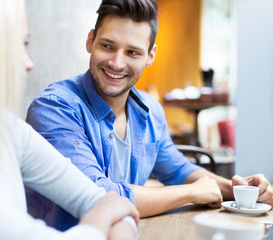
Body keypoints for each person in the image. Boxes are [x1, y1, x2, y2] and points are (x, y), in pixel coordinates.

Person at [26, 0, 273, 229]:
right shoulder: (55, 107)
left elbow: (177, 170)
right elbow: (96, 195)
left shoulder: (149, 110)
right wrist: (190, 193)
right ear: (90, 41)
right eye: (107, 46)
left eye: (132, 52)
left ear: (150, 56)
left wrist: (240, 190)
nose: (116, 62)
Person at [0, 0, 139, 239]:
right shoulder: (55, 104)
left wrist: (113, 220)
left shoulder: (6, 130)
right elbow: (106, 202)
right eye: (15, 46)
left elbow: (112, 205)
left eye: (26, 44)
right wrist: (100, 221)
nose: (29, 63)